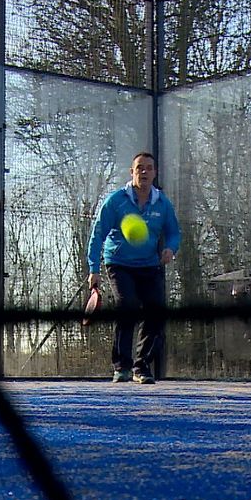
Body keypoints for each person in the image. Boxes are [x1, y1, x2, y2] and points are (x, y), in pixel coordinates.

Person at [86, 152, 181, 384]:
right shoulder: (116, 201)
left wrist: (170, 249)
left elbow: (174, 232)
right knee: (127, 305)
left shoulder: (163, 203)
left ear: (155, 173)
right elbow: (98, 234)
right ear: (132, 172)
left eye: (149, 168)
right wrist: (93, 268)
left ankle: (142, 366)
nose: (144, 172)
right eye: (140, 168)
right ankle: (121, 367)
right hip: (119, 264)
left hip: (150, 265)